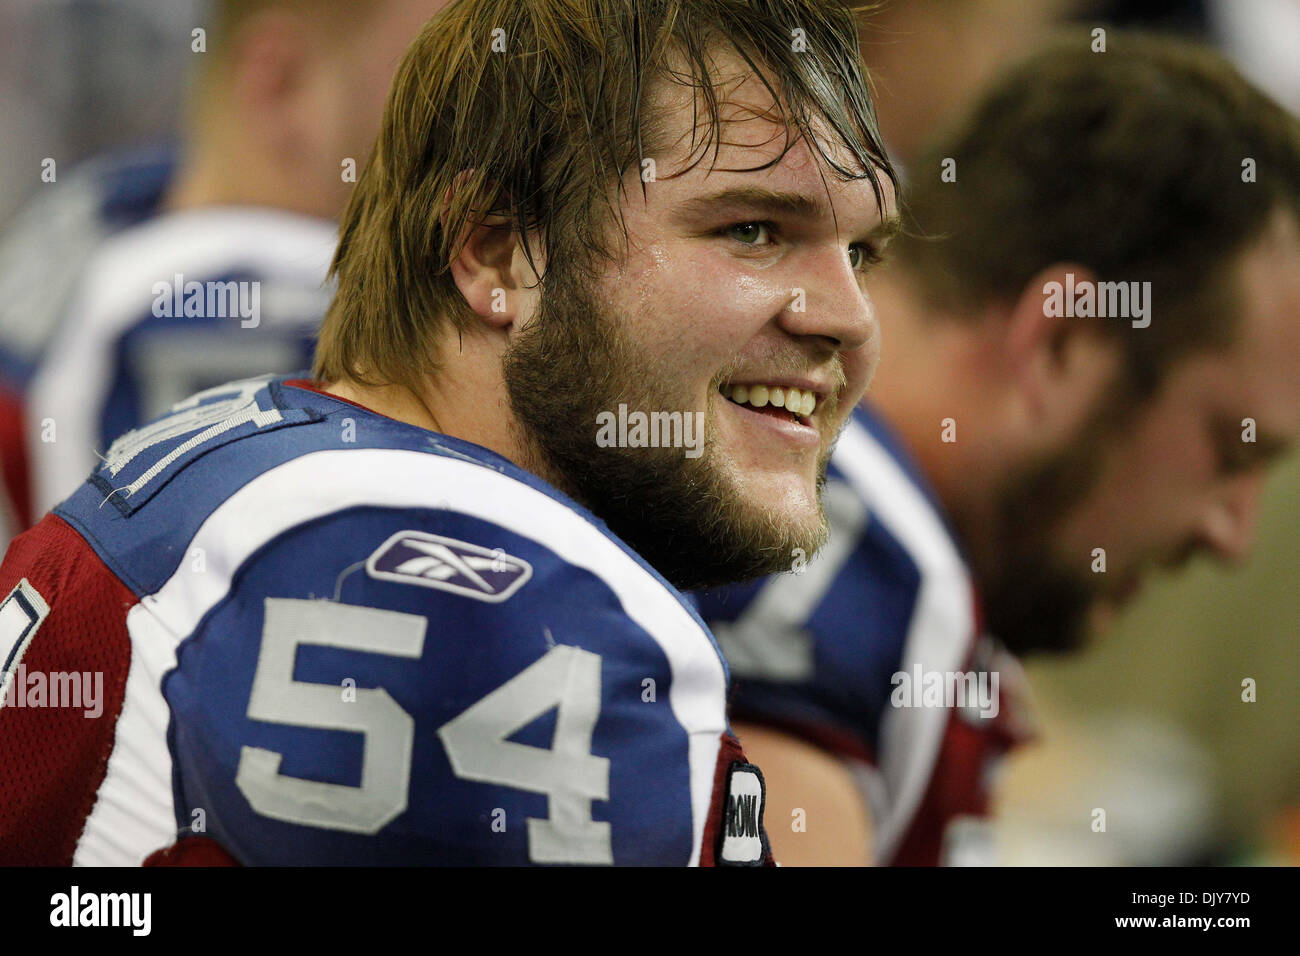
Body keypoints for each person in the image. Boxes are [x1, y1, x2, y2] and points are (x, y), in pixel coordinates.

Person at [0, 0, 898, 866]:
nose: (850, 319)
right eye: (752, 230)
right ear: (498, 253)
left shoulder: (273, 468)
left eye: (861, 253)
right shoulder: (476, 601)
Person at [699, 31, 1300, 866]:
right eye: (1232, 451)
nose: (1232, 535)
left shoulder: (815, 507)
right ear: (1061, 345)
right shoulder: (853, 578)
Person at [0, 0, 448, 542]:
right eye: (438, 73)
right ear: (279, 83)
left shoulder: (94, 233)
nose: (478, 112)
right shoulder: (248, 296)